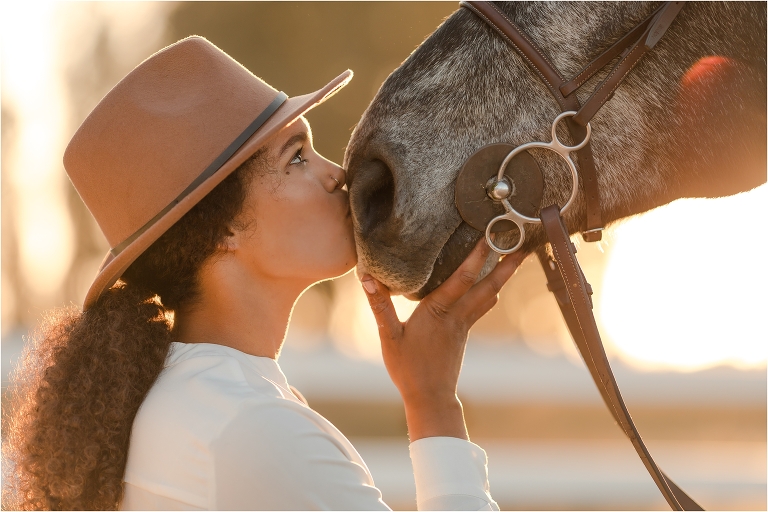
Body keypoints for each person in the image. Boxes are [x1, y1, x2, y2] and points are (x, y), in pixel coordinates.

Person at [3, 36, 524, 511]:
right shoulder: (251, 430)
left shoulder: (187, 402)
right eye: (295, 158)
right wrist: (432, 401)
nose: (335, 174)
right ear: (220, 229)